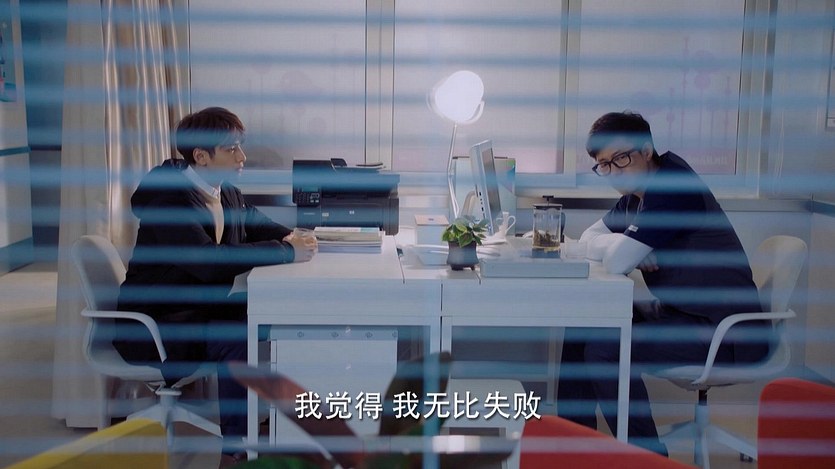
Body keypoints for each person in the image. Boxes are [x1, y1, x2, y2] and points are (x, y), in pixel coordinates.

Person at [557, 111, 771, 455]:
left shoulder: (673, 188)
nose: (614, 171)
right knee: (585, 321)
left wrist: (625, 249)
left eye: (621, 158)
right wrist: (624, 244)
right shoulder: (637, 195)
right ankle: (573, 445)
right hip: (682, 314)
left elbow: (616, 261)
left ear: (646, 150)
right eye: (604, 164)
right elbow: (589, 238)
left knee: (605, 350)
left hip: (725, 331)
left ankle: (647, 458)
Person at [116, 107, 317, 462]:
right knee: (239, 336)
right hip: (158, 324)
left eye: (241, 146)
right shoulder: (170, 203)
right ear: (201, 156)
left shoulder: (225, 193)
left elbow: (258, 225)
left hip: (194, 310)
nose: (242, 157)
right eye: (231, 149)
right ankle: (235, 449)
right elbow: (207, 262)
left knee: (269, 315)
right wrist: (286, 251)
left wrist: (296, 236)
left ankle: (265, 416)